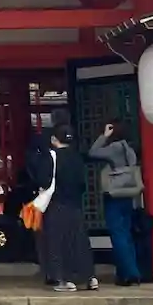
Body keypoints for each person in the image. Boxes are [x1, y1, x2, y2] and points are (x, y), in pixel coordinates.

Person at [32, 123, 96, 292]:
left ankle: (64, 279)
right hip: (75, 204)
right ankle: (89, 277)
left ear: (54, 139)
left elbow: (43, 181)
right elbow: (82, 184)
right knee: (79, 241)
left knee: (57, 242)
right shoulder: (77, 157)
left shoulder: (51, 156)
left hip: (56, 203)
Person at [89, 120, 144, 287]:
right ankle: (125, 273)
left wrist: (104, 136)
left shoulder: (115, 148)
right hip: (128, 194)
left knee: (117, 235)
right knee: (126, 235)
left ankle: (130, 273)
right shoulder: (130, 148)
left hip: (114, 194)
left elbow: (93, 152)